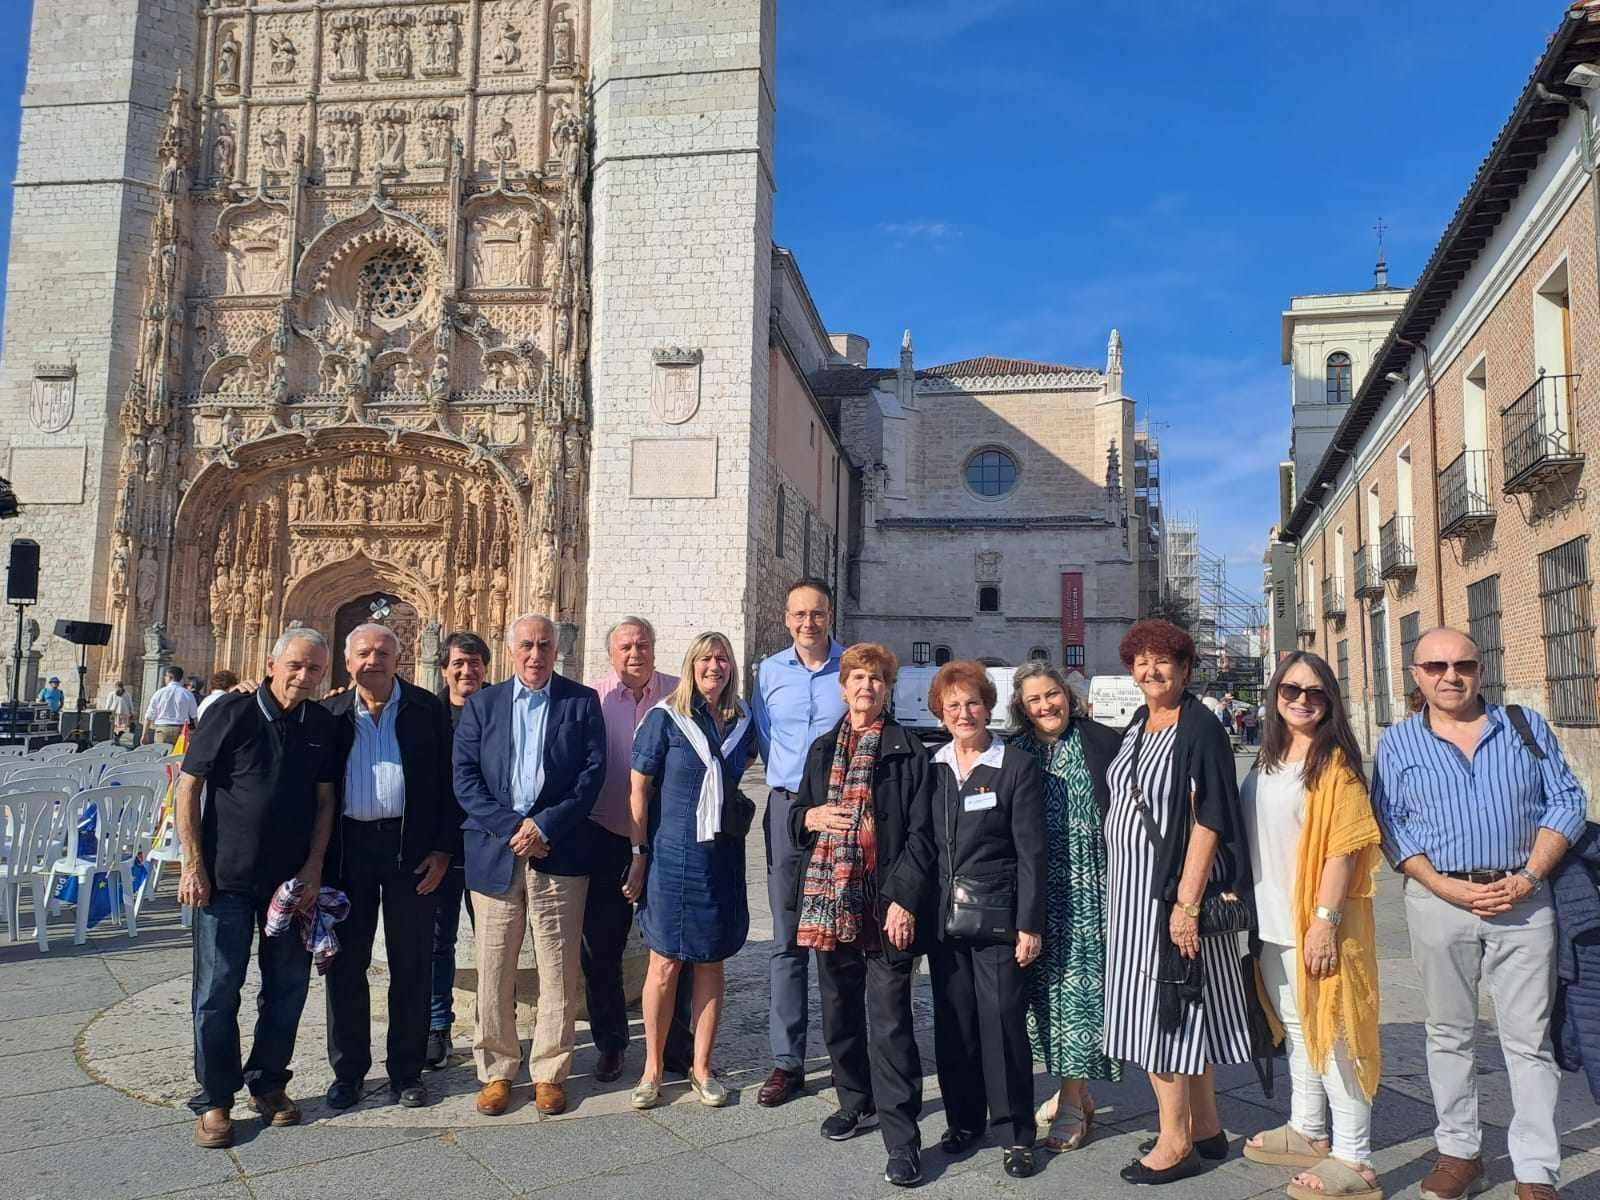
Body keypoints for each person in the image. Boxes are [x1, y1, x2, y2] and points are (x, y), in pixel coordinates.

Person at [1372, 627, 1586, 1200]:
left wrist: (1530, 875)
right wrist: (1441, 884)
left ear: (1480, 667)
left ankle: (1537, 1170)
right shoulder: (1397, 744)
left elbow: (1567, 800)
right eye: (1436, 665)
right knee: (1447, 1033)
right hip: (1439, 901)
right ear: (1416, 675)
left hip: (1524, 899)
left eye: (1463, 663)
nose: (1451, 675)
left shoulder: (1524, 726)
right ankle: (1459, 1152)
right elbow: (1391, 825)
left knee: (1528, 1041)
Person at [1101, 619, 1256, 1186]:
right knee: (1191, 1005)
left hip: (1169, 897)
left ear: (1186, 668)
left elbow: (1210, 816)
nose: (1151, 670)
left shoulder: (1200, 727)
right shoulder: (1142, 722)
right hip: (1133, 896)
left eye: (1163, 660)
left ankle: (1174, 1143)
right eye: (1140, 661)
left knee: (1163, 1013)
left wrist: (1186, 903)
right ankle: (1207, 1127)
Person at [175, 628, 340, 1149]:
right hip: (224, 880)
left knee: (287, 988)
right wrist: (192, 864)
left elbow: (325, 801)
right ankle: (215, 1099)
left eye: (314, 668)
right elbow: (188, 786)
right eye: (294, 665)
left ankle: (268, 1083)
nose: (303, 676)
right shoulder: (231, 711)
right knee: (218, 991)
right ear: (271, 663)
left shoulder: (321, 723)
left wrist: (314, 867)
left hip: (288, 887)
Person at [788, 642, 936, 1188]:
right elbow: (797, 819)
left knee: (892, 1023)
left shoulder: (907, 750)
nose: (866, 687)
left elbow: (922, 836)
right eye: (857, 678)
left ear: (887, 687)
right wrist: (812, 816)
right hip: (832, 902)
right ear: (843, 685)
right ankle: (855, 1100)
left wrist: (904, 898)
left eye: (876, 679)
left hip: (884, 905)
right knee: (838, 1011)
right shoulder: (823, 749)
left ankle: (902, 1138)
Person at [1241, 652, 1383, 1200]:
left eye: (1315, 692)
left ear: (1330, 701)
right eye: (1291, 690)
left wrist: (1325, 922)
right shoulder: (1269, 757)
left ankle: (1355, 1158)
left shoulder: (1335, 766)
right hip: (1273, 920)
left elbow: (1345, 850)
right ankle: (1308, 1129)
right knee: (1299, 1031)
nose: (1302, 700)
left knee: (1338, 1031)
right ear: (1276, 695)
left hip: (1317, 923)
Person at [455, 614, 605, 1118]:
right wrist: (513, 828)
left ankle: (549, 1070)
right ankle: (497, 1071)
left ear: (555, 649)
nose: (535, 654)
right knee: (495, 966)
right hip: (496, 853)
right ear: (510, 649)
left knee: (558, 966)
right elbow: (466, 779)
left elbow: (591, 775)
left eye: (544, 645)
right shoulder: (483, 705)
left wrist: (544, 827)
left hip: (558, 853)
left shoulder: (581, 702)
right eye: (526, 645)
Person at [321, 624, 453, 1111]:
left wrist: (442, 850)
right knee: (346, 964)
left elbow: (447, 784)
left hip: (411, 850)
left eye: (383, 651)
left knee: (412, 962)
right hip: (348, 850)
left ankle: (406, 1070)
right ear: (347, 659)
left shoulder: (426, 710)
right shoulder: (329, 714)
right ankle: (348, 1071)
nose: (373, 659)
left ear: (402, 656)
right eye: (363, 652)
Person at [623, 632, 754, 1110]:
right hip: (672, 856)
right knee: (664, 964)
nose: (714, 667)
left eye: (722, 659)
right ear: (690, 665)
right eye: (705, 658)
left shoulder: (742, 722)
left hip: (721, 856)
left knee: (711, 960)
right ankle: (652, 1070)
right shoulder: (665, 718)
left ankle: (701, 1067)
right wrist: (638, 852)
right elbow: (637, 790)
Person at [926, 659, 1046, 1179]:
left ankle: (1016, 1132)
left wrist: (1030, 923)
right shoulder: (932, 767)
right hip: (944, 920)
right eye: (953, 705)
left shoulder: (1014, 765)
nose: (964, 712)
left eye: (972, 702)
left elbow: (1031, 852)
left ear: (988, 706)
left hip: (999, 917)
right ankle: (964, 1120)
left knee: (1002, 1024)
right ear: (941, 713)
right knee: (955, 1025)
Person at [1009, 660, 1123, 1154]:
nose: (1045, 706)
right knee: (1042, 999)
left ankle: (1073, 1101)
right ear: (1021, 707)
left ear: (1067, 694)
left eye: (1051, 694)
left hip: (1091, 888)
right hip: (1035, 893)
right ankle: (1071, 1088)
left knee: (1082, 998)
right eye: (1034, 700)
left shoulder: (1100, 741)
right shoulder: (1014, 751)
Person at [751, 578, 848, 1106]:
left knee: (839, 934)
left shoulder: (852, 665)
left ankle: (845, 1054)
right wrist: (792, 786)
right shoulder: (769, 672)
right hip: (788, 807)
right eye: (799, 615)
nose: (808, 622)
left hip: (840, 809)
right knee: (786, 938)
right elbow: (764, 733)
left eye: (817, 613)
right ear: (786, 619)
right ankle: (787, 1062)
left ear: (829, 615)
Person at [586, 617, 694, 1082]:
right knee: (600, 950)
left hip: (667, 840)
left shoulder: (679, 693)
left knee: (675, 944)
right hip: (606, 836)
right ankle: (611, 1044)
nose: (635, 653)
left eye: (643, 645)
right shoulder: (592, 698)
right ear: (611, 653)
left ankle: (676, 1044)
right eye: (626, 646)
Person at [426, 630, 491, 1071]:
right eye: (458, 664)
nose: (466, 672)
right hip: (438, 850)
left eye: (474, 664)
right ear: (445, 669)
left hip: (489, 845)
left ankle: (494, 1027)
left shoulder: (502, 708)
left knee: (495, 943)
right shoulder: (424, 713)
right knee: (437, 942)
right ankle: (436, 1027)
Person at [144, 665, 199, 744]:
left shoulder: (159, 693)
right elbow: (195, 716)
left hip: (163, 729)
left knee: (162, 753)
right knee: (179, 755)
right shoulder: (187, 694)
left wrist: (145, 734)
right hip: (181, 730)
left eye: (166, 676)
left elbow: (149, 715)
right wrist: (197, 733)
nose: (164, 678)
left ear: (170, 677)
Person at [109, 681, 136, 746]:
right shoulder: (113, 694)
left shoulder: (125, 694)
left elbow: (130, 704)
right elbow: (109, 704)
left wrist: (132, 713)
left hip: (120, 714)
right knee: (118, 729)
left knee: (121, 729)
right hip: (119, 714)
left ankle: (120, 743)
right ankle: (118, 742)